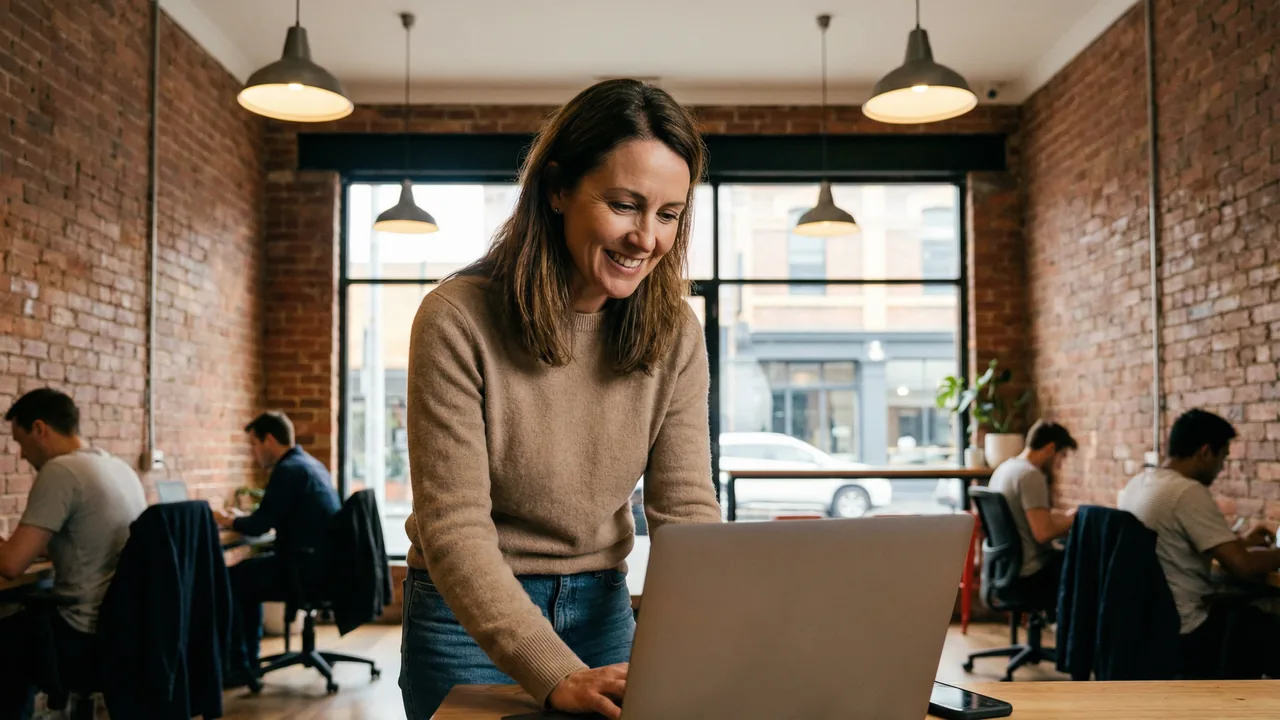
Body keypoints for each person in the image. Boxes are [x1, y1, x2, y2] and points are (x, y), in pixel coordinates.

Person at [399, 78, 722, 720]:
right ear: (556, 189)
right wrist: (551, 670)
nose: (646, 239)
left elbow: (685, 508)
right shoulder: (455, 318)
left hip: (604, 606)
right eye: (626, 205)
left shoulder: (676, 330)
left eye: (668, 214)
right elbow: (455, 526)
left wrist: (692, 639)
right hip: (468, 617)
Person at [0, 388, 147, 719]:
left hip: (84, 635)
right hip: (126, 627)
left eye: (21, 442)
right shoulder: (118, 467)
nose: (22, 456)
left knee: (6, 639)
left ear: (40, 429)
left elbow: (10, 565)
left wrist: (11, 549)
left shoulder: (61, 471)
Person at [1118, 409, 1280, 678]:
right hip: (1186, 627)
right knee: (1269, 628)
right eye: (1222, 457)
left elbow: (1181, 544)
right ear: (1205, 452)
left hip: (1146, 620)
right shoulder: (1187, 491)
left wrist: (1240, 543)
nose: (1221, 468)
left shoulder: (1139, 482)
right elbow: (1243, 566)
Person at [214, 411, 341, 683]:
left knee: (234, 578)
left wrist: (228, 519)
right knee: (246, 575)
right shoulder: (310, 464)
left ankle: (240, 665)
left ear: (269, 440)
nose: (254, 453)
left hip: (304, 569)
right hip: (323, 566)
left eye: (254, 445)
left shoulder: (288, 470)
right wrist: (241, 519)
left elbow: (261, 524)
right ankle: (247, 658)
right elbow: (273, 517)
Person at [986, 420, 1079, 609]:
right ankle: (1073, 637)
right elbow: (1042, 532)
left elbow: (1032, 515)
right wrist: (1076, 517)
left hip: (1004, 572)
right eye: (1062, 456)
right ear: (1050, 448)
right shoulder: (1031, 475)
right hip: (1030, 576)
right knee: (1088, 567)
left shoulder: (1005, 469)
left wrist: (1064, 515)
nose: (1060, 465)